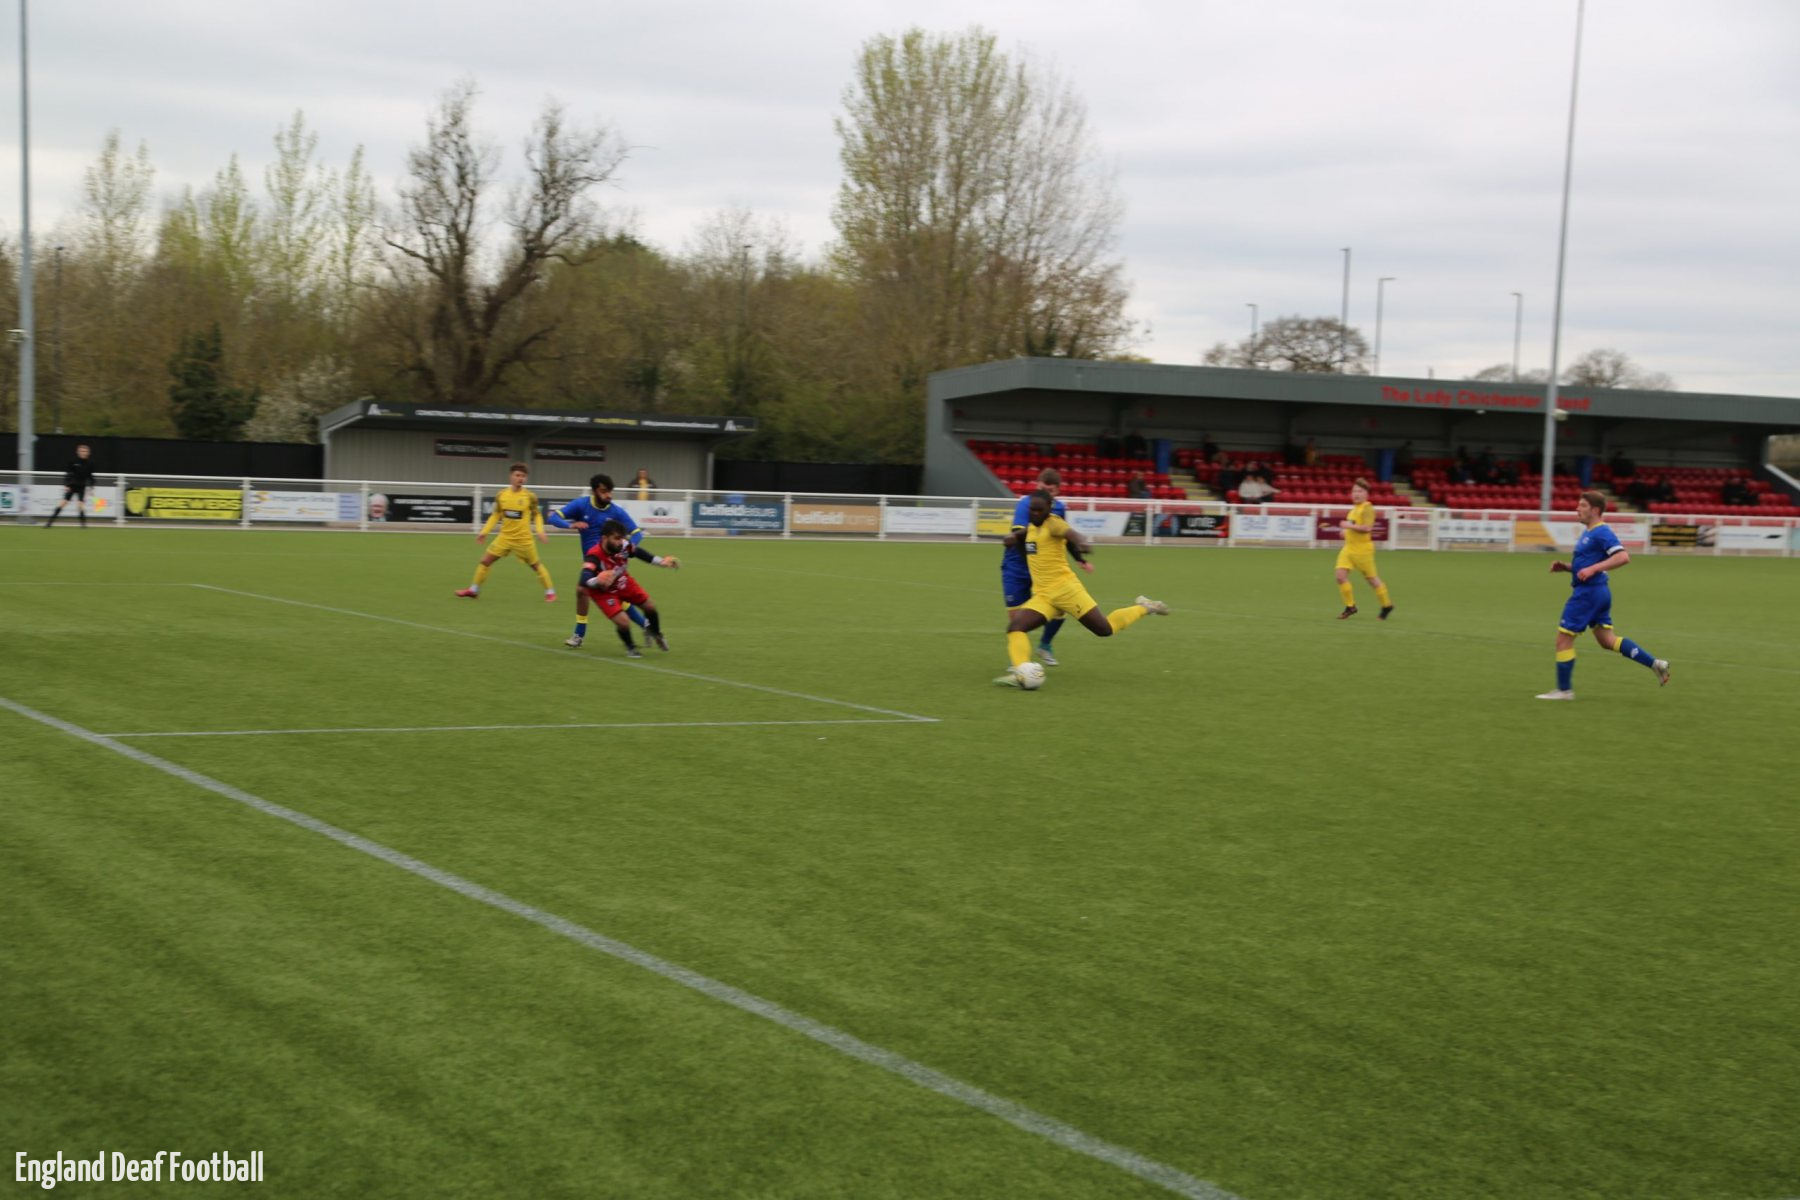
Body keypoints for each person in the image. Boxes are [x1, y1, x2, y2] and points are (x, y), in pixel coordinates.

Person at [994, 490, 1168, 687]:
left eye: (1039, 510)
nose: (1035, 513)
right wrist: (1012, 537)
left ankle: (1145, 607)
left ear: (1049, 508)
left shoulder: (1054, 523)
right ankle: (1021, 672)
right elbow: (1023, 534)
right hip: (1043, 596)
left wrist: (1082, 542)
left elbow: (1072, 534)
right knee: (1015, 627)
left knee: (1104, 629)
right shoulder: (1032, 527)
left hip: (1067, 590)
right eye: (1032, 510)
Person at [1536, 491, 1670, 700]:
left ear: (1595, 510)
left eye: (1582, 505)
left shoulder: (1601, 532)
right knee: (1607, 640)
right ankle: (1655, 664)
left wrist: (1593, 569)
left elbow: (1623, 557)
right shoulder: (1589, 532)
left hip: (1588, 594)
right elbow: (1587, 564)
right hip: (1598, 592)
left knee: (1563, 640)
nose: (1577, 509)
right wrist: (1568, 568)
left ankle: (1564, 691)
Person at [546, 472, 649, 647]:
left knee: (584, 589)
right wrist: (570, 524)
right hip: (592, 561)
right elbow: (553, 517)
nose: (608, 495)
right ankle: (646, 625)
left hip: (610, 563)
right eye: (604, 491)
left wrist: (626, 551)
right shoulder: (581, 505)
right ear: (594, 491)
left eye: (610, 491)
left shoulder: (616, 511)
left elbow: (637, 533)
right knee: (590, 592)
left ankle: (579, 635)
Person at [578, 519, 680, 657]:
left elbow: (640, 553)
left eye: (622, 538)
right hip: (603, 592)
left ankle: (656, 633)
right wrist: (598, 580)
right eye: (616, 538)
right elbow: (584, 579)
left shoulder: (624, 546)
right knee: (623, 622)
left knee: (650, 606)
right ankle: (631, 648)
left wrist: (661, 562)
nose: (620, 542)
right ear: (605, 538)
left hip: (623, 582)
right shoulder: (594, 555)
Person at [455, 463, 555, 602]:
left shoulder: (530, 496)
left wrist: (540, 531)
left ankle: (550, 593)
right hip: (504, 538)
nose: (520, 478)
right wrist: (484, 532)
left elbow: (537, 515)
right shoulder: (501, 495)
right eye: (517, 475)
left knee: (536, 565)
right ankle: (473, 590)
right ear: (511, 476)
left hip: (523, 540)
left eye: (523, 476)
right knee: (485, 561)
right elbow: (496, 515)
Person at [1002, 468, 1070, 665]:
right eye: (1042, 488)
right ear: (1036, 485)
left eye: (1050, 490)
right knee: (1017, 618)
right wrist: (1033, 561)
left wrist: (1081, 559)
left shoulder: (1060, 509)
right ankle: (1019, 661)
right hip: (1017, 567)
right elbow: (1019, 538)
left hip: (1043, 570)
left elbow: (1061, 536)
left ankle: (1045, 645)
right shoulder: (1025, 504)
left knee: (1060, 608)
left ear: (1057, 491)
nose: (1045, 493)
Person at [1334, 478, 1393, 620]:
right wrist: (1345, 532)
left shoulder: (1367, 508)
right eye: (1354, 491)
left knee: (1372, 580)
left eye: (1360, 491)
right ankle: (1350, 606)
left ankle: (1386, 605)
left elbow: (1367, 528)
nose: (1356, 494)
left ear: (1366, 494)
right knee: (1340, 576)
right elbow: (1354, 528)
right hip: (1349, 549)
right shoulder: (1353, 510)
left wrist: (1348, 526)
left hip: (1362, 551)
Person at [44, 444, 98, 527]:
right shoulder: (73, 461)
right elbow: (68, 474)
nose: (83, 453)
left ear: (88, 452)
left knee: (81, 505)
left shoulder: (90, 463)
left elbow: (90, 476)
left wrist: (92, 486)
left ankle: (83, 525)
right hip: (72, 486)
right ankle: (49, 523)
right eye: (81, 451)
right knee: (63, 503)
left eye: (85, 451)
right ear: (78, 452)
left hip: (82, 486)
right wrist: (66, 484)